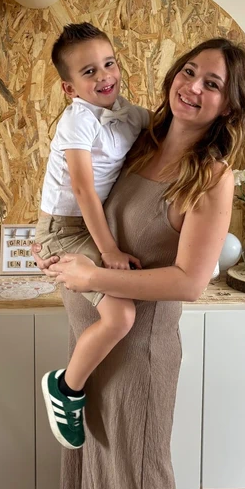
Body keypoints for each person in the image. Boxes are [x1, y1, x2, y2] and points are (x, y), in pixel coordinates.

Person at [33, 37, 245, 489]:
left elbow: (189, 282)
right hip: (91, 346)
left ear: (228, 106)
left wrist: (92, 275)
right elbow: (78, 202)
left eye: (212, 84)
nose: (193, 87)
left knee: (134, 486)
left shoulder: (211, 177)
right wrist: (55, 253)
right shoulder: (139, 139)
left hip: (139, 357)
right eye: (189, 71)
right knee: (92, 473)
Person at [36, 22, 150, 450]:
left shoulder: (128, 113)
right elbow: (83, 190)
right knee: (121, 317)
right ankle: (66, 387)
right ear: (69, 89)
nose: (104, 76)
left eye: (109, 63)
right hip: (65, 230)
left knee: (124, 312)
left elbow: (165, 131)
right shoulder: (78, 120)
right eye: (89, 72)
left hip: (90, 225)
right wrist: (109, 250)